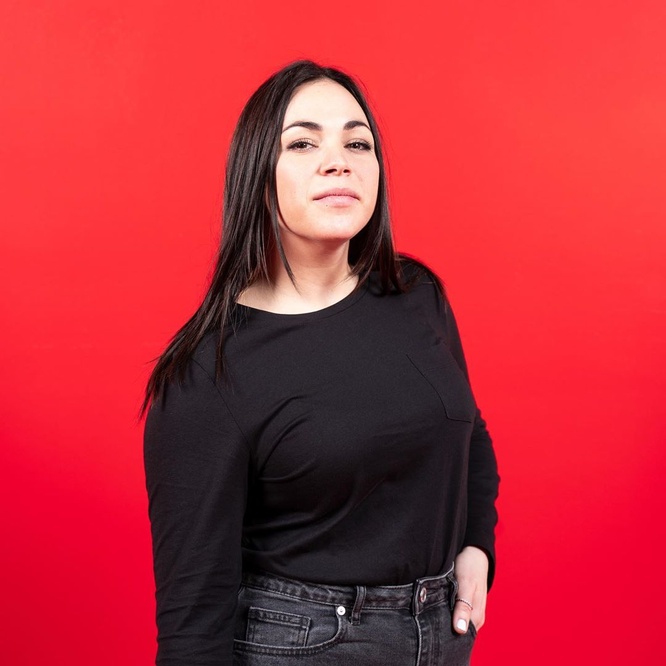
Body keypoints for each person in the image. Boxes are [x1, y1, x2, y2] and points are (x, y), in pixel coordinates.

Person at [142, 60, 499, 666]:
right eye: (303, 143)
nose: (339, 162)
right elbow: (192, 622)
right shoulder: (208, 373)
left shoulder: (416, 294)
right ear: (259, 174)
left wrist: (476, 546)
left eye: (357, 143)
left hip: (441, 640)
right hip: (302, 646)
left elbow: (469, 435)